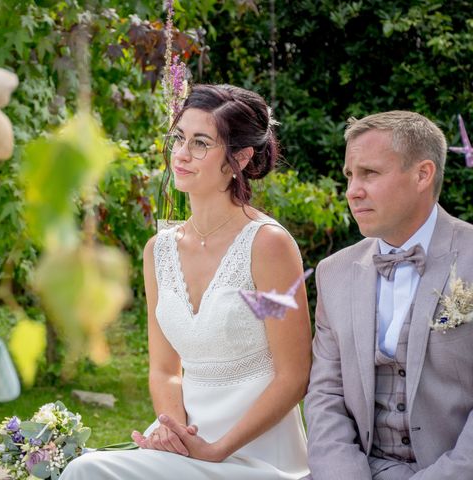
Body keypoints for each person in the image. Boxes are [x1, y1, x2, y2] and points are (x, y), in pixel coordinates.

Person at [60, 84, 311, 479]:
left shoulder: (268, 245)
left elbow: (293, 375)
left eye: (200, 143)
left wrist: (216, 451)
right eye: (179, 138)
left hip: (255, 456)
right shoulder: (158, 251)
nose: (181, 154)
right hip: (185, 450)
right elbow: (164, 368)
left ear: (240, 159)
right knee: (85, 470)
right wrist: (174, 432)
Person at [304, 111, 473, 480]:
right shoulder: (334, 273)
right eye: (350, 175)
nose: (352, 190)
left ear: (422, 175)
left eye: (370, 173)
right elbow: (325, 397)